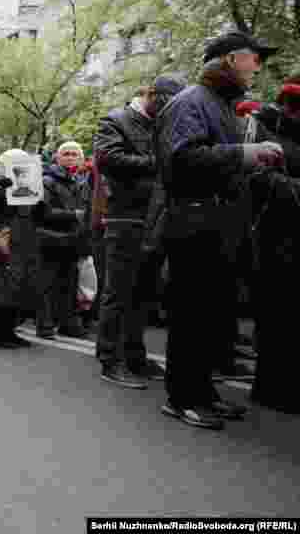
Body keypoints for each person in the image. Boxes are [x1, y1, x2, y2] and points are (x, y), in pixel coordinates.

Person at [156, 30, 282, 430]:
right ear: (229, 59)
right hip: (194, 223)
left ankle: (203, 392)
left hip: (220, 226)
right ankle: (182, 398)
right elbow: (182, 160)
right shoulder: (191, 101)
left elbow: (223, 167)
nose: (258, 66)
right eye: (253, 57)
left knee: (212, 316)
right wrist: (245, 154)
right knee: (191, 315)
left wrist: (257, 165)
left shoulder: (225, 107)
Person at [94, 76, 183, 389]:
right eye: (166, 103)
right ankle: (110, 359)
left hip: (155, 216)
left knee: (143, 293)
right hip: (125, 218)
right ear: (152, 95)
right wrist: (156, 163)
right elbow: (107, 159)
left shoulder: (161, 124)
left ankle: (135, 355)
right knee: (118, 292)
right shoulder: (116, 120)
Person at [247, 74, 300, 414]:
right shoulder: (263, 128)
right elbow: (256, 178)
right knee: (278, 312)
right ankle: (272, 388)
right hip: (274, 233)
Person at [0, 149, 46, 349]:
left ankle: (10, 332)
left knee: (17, 288)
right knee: (0, 288)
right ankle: (0, 334)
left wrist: (40, 204)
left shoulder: (31, 182)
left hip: (24, 242)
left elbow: (38, 214)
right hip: (2, 242)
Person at [36, 141, 89, 339]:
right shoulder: (47, 180)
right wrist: (73, 215)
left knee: (69, 284)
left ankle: (68, 324)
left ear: (81, 158)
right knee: (47, 284)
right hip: (51, 238)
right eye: (66, 153)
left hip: (72, 240)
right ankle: (45, 325)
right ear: (57, 158)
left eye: (74, 154)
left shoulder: (79, 181)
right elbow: (43, 211)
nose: (70, 157)